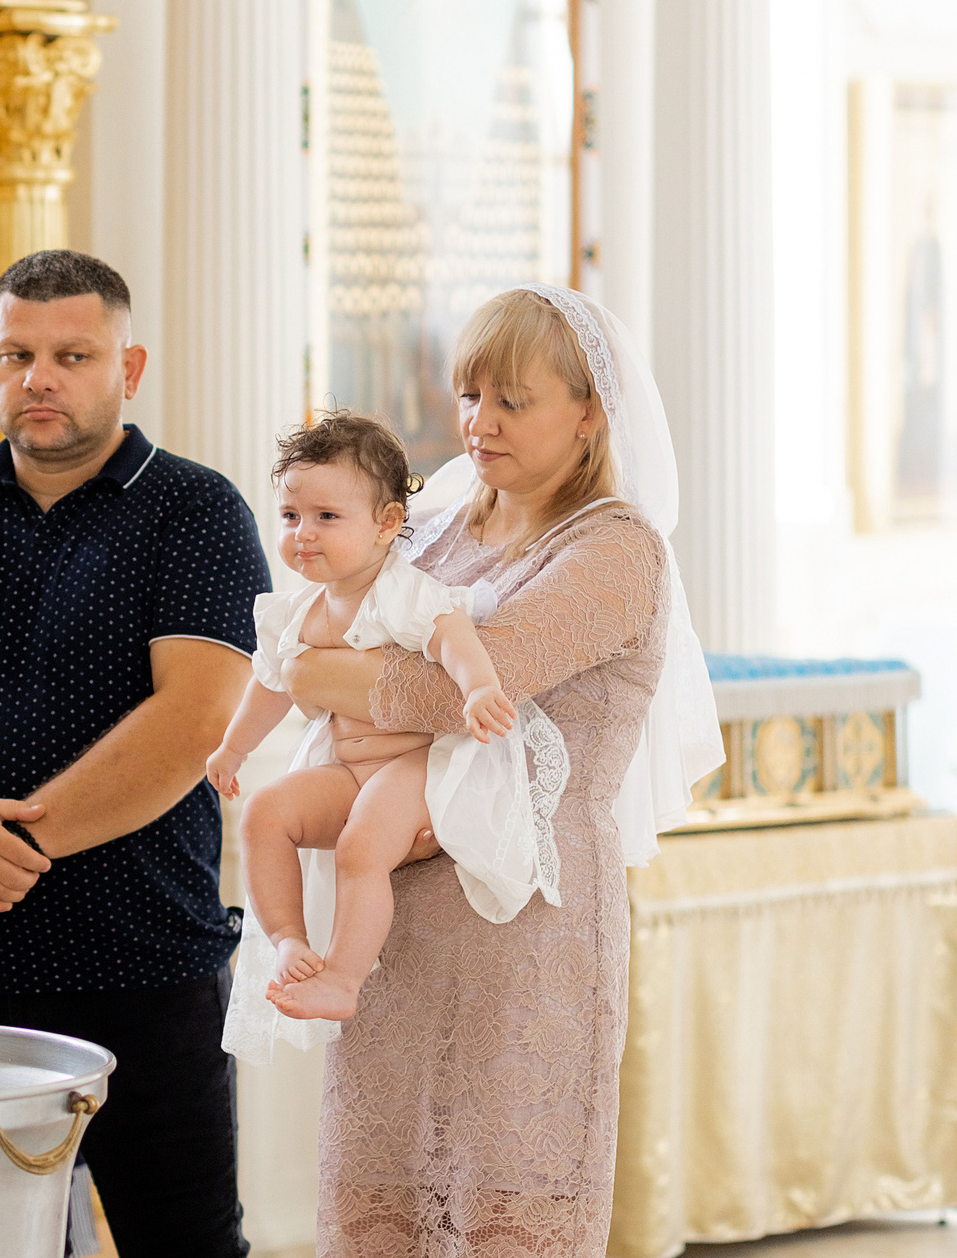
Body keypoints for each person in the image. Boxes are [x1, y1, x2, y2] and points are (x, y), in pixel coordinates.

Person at [0, 249, 268, 1257]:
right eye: (18, 352)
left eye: (73, 354)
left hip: (145, 963)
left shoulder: (195, 511)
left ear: (129, 367)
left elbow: (191, 719)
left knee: (185, 1245)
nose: (40, 376)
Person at [279, 284, 721, 1256]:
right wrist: (329, 672)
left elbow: (453, 691)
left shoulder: (614, 550)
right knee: (379, 1213)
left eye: (510, 400)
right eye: (468, 394)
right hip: (388, 930)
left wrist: (328, 672)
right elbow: (305, 651)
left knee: (504, 1217)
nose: (477, 422)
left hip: (522, 934)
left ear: (589, 412)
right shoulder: (431, 524)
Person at [207, 413, 558, 1061]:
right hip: (346, 769)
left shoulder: (397, 590)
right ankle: (290, 942)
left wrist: (479, 688)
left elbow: (452, 634)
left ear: (387, 524)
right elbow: (271, 682)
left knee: (362, 842)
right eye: (289, 516)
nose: (302, 533)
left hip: (412, 767)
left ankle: (342, 976)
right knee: (265, 812)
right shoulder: (297, 610)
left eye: (325, 517)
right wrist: (234, 749)